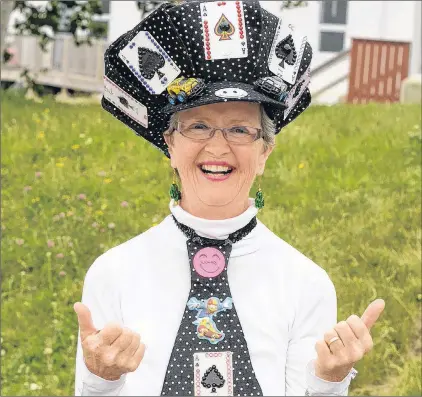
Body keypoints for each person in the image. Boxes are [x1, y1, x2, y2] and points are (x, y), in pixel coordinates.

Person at [74, 1, 385, 396]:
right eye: (198, 126)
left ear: (265, 152)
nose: (217, 147)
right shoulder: (112, 274)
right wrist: (100, 379)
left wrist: (328, 382)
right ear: (169, 144)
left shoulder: (307, 284)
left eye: (239, 130)